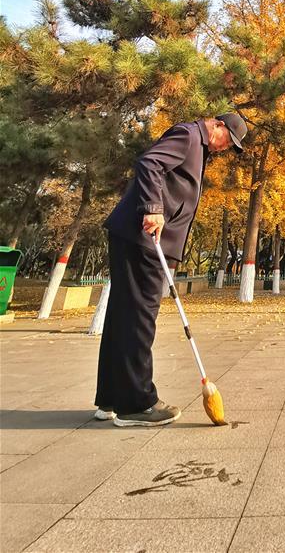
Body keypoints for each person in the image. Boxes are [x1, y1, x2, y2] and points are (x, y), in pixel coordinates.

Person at [94, 113, 247, 427]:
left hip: (137, 239)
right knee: (138, 319)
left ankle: (112, 399)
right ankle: (137, 404)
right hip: (144, 239)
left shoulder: (197, 147)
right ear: (218, 125)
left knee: (123, 317)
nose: (225, 149)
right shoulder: (189, 136)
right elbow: (149, 163)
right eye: (227, 141)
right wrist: (153, 208)